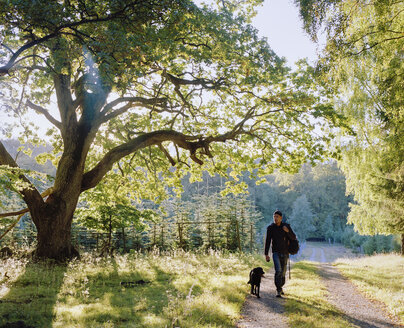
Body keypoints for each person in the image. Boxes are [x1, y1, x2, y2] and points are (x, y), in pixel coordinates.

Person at [264, 210, 296, 298]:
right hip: (275, 253)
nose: (275, 218)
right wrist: (266, 254)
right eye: (274, 216)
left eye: (277, 217)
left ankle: (280, 287)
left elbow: (293, 237)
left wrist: (288, 231)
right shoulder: (270, 228)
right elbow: (267, 241)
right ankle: (278, 290)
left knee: (283, 272)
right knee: (278, 271)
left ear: (281, 218)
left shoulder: (286, 226)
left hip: (285, 252)